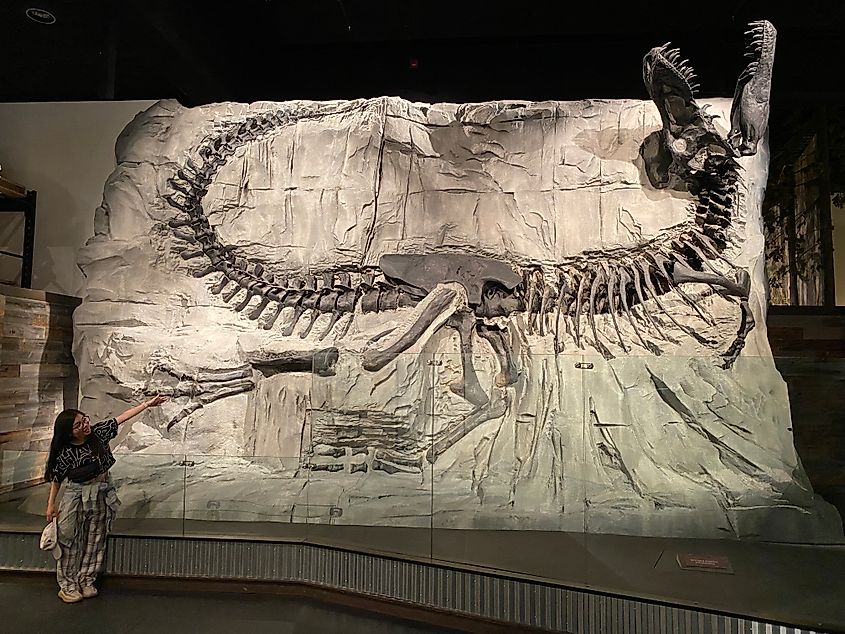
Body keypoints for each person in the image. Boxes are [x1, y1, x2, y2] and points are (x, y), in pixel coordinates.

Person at [44, 395, 168, 603]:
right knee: (69, 539)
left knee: (96, 537)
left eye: (84, 420)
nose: (85, 425)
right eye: (78, 425)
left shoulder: (98, 434)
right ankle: (68, 585)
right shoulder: (65, 452)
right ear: (68, 433)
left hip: (101, 490)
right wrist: (51, 505)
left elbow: (122, 418)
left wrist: (147, 404)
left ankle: (86, 580)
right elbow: (57, 478)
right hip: (76, 494)